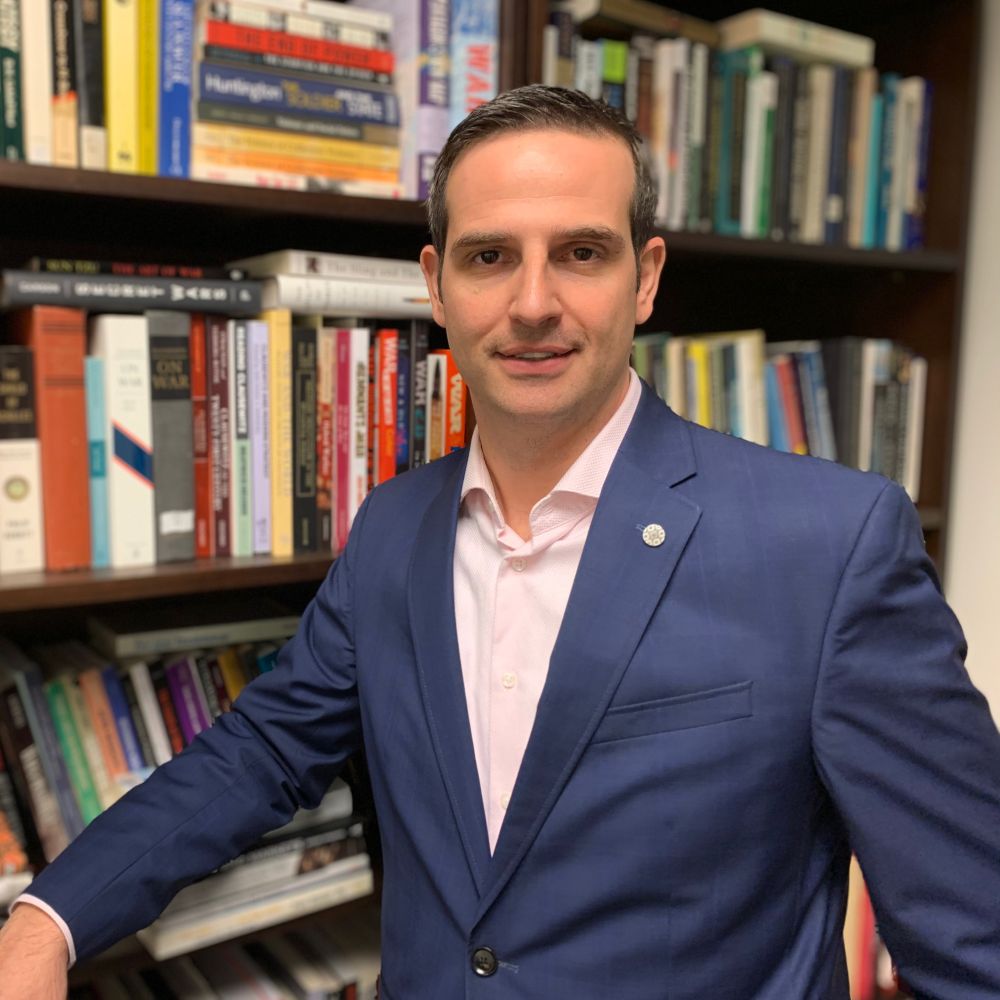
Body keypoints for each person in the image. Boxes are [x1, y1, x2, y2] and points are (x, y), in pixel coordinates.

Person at [2, 85, 999, 1000]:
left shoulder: (829, 544)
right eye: (489, 257)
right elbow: (259, 753)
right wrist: (50, 919)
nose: (531, 304)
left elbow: (972, 943)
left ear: (646, 277)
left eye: (581, 253)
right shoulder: (393, 528)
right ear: (437, 287)